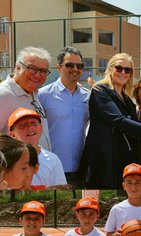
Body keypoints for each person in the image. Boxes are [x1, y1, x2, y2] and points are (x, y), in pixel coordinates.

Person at [78, 53, 141, 189]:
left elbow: (136, 132)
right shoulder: (100, 90)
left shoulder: (126, 100)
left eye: (128, 70)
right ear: (110, 69)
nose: (123, 73)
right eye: (119, 68)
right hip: (103, 158)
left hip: (121, 159)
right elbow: (118, 120)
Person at [39, 46, 90, 187]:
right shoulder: (43, 95)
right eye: (69, 65)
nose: (75, 69)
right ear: (59, 67)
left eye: (79, 65)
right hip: (52, 170)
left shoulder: (88, 96)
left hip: (81, 170)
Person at [0, 46, 52, 150]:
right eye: (32, 68)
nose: (37, 75)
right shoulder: (3, 95)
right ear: (18, 67)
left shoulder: (33, 93)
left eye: (43, 71)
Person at [8, 107, 67, 188]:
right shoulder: (5, 159)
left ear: (41, 128)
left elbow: (61, 189)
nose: (30, 127)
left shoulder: (53, 160)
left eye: (34, 123)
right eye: (23, 125)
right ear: (12, 134)